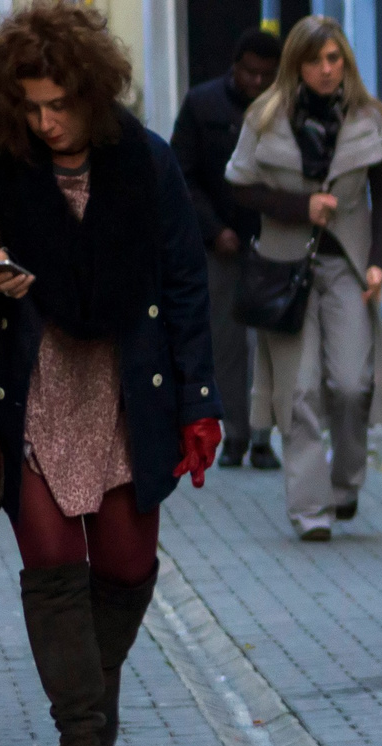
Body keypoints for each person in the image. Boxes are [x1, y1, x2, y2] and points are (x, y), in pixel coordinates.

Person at [0, 0, 223, 746]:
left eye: (60, 104)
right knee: (53, 561)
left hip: (129, 387)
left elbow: (186, 285)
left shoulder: (146, 162)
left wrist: (203, 399)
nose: (47, 121)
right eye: (31, 105)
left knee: (125, 564)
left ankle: (88, 697)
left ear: (92, 93)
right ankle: (80, 732)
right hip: (32, 384)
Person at [225, 15, 382, 541]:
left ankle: (345, 485)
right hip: (284, 265)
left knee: (350, 383)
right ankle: (310, 511)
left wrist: (380, 259)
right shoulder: (266, 116)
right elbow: (241, 187)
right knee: (298, 392)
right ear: (297, 64)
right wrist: (301, 206)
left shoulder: (368, 116)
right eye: (317, 59)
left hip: (346, 261)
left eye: (335, 58)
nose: (327, 69)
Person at [169, 26, 281, 471]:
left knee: (269, 346)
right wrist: (214, 230)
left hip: (272, 242)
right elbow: (182, 174)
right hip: (221, 245)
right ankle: (235, 433)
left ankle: (262, 436)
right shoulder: (203, 105)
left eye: (266, 75)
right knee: (227, 345)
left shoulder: (280, 108)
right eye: (250, 73)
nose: (257, 83)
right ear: (235, 67)